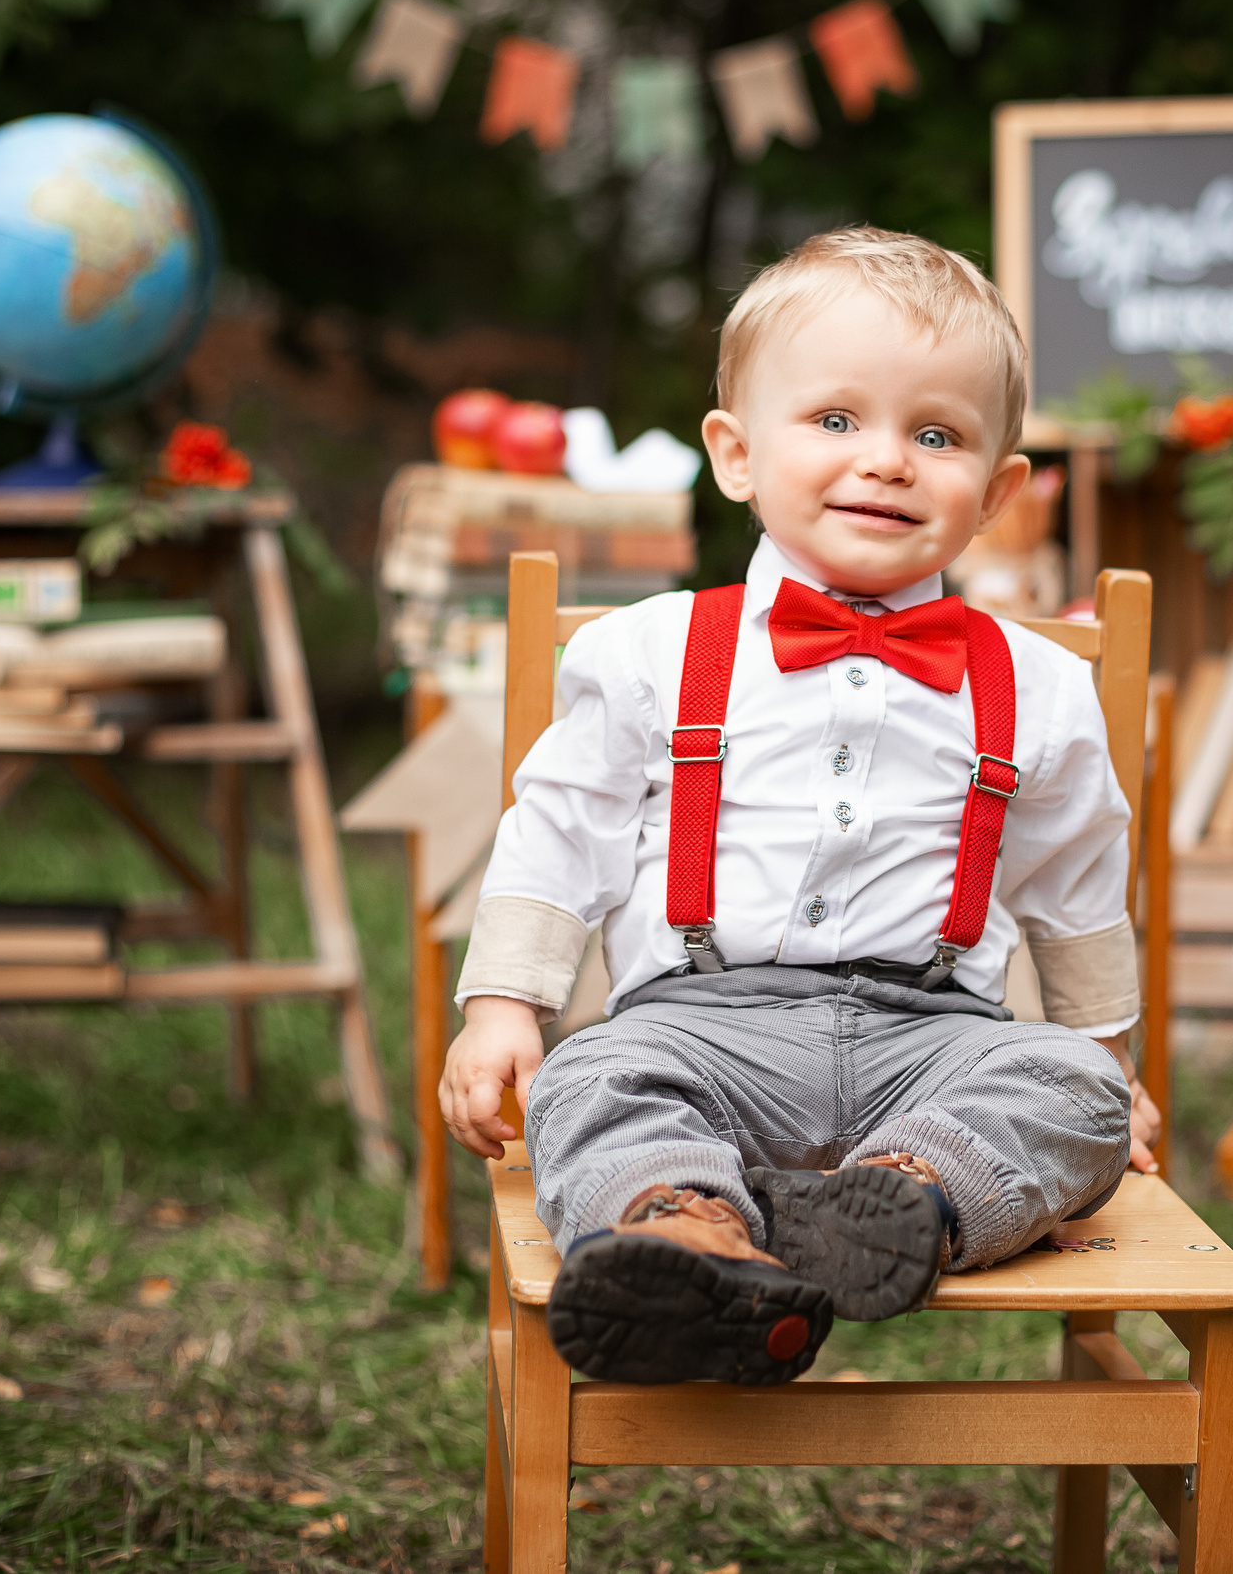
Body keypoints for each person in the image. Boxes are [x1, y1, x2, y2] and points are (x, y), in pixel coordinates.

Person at [440, 227, 1161, 1386]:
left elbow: (1075, 889)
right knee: (587, 1076)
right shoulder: (650, 651)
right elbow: (558, 825)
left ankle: (901, 1207)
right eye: (834, 421)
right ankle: (681, 1235)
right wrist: (500, 1006)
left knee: (1074, 1091)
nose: (884, 461)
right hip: (698, 1027)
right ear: (733, 453)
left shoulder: (1038, 687)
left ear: (999, 491)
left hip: (935, 1048)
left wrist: (1108, 1064)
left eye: (936, 435)